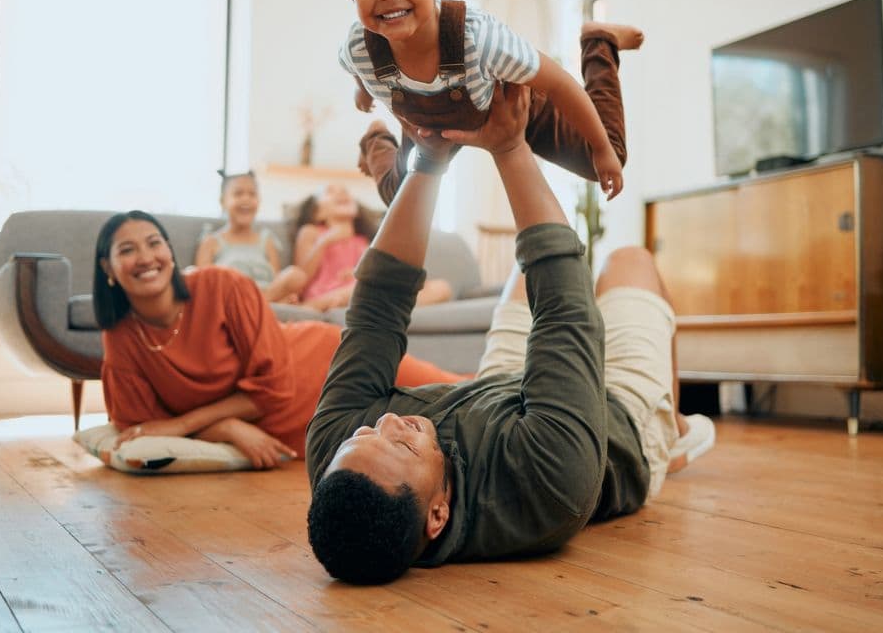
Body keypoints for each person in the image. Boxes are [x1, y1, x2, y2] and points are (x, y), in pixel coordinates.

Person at [305, 83, 715, 585]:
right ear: (438, 515)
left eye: (367, 432)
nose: (388, 421)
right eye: (404, 446)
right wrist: (509, 146)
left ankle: (674, 424)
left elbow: (376, 308)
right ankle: (667, 433)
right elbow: (567, 311)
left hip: (498, 394)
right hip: (619, 425)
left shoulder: (342, 460)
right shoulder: (547, 484)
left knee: (524, 272)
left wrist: (428, 161)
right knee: (629, 262)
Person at [94, 210, 467, 469]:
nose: (146, 257)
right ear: (108, 268)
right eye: (127, 250)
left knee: (454, 394)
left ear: (170, 253)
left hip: (321, 363)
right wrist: (227, 428)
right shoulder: (122, 335)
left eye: (154, 243)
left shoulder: (221, 285)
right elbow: (140, 422)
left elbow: (272, 386)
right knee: (426, 428)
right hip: (296, 427)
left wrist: (183, 426)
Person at [335, 0, 639, 203]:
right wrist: (363, 91)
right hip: (430, 125)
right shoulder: (360, 47)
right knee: (398, 197)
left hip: (513, 108)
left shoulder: (479, 38)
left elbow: (559, 83)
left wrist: (602, 149)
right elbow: (353, 66)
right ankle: (375, 139)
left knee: (605, 157)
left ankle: (599, 41)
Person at [293, 182, 452, 312]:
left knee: (442, 288)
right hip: (326, 294)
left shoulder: (362, 241)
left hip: (362, 292)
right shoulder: (311, 232)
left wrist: (356, 273)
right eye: (330, 192)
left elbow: (376, 274)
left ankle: (380, 307)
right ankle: (314, 306)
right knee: (362, 289)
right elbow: (302, 277)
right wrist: (325, 240)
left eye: (345, 190)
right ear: (317, 213)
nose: (341, 193)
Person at [195, 170, 308, 303]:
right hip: (231, 297)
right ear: (222, 201)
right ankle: (257, 304)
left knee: (295, 275)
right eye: (238, 193)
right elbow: (202, 285)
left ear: (259, 201)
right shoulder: (211, 241)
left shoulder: (267, 240)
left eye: (252, 194)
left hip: (267, 294)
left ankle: (257, 303)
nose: (246, 199)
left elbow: (277, 281)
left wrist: (283, 295)